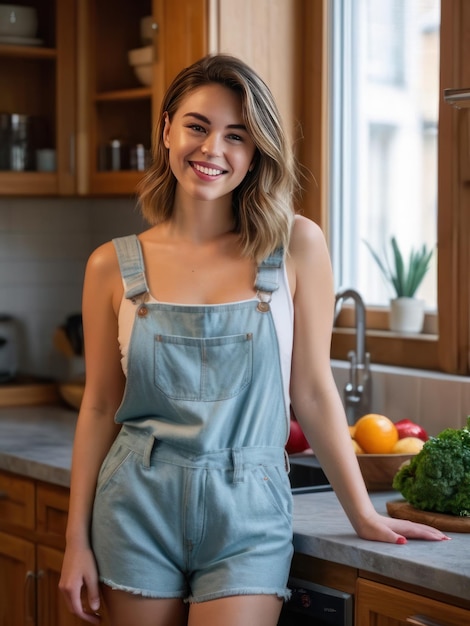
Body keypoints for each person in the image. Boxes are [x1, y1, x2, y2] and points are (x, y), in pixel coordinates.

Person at [59, 53, 448, 626]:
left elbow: (313, 392)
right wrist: (76, 541)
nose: (212, 149)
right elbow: (97, 407)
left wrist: (362, 512)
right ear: (166, 127)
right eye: (197, 126)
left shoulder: (297, 246)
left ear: (256, 150)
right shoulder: (110, 267)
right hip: (133, 507)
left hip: (249, 512)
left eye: (236, 135)